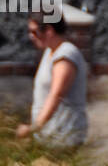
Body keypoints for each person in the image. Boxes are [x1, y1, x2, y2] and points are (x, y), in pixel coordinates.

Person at [16, 12, 89, 148]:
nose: (31, 36)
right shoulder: (51, 52)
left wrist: (34, 127)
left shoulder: (65, 55)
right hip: (51, 136)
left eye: (34, 31)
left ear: (49, 30)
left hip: (63, 137)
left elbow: (56, 94)